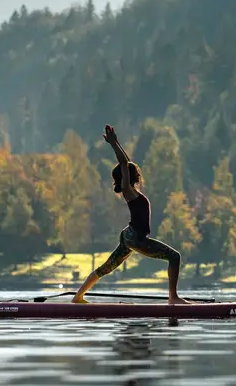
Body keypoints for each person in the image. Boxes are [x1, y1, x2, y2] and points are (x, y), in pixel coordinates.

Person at [72, 124, 189, 305]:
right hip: (135, 237)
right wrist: (113, 144)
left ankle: (78, 297)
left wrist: (117, 143)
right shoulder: (128, 190)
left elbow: (126, 162)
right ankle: (173, 298)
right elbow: (124, 163)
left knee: (106, 268)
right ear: (128, 176)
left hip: (129, 235)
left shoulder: (132, 191)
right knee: (175, 257)